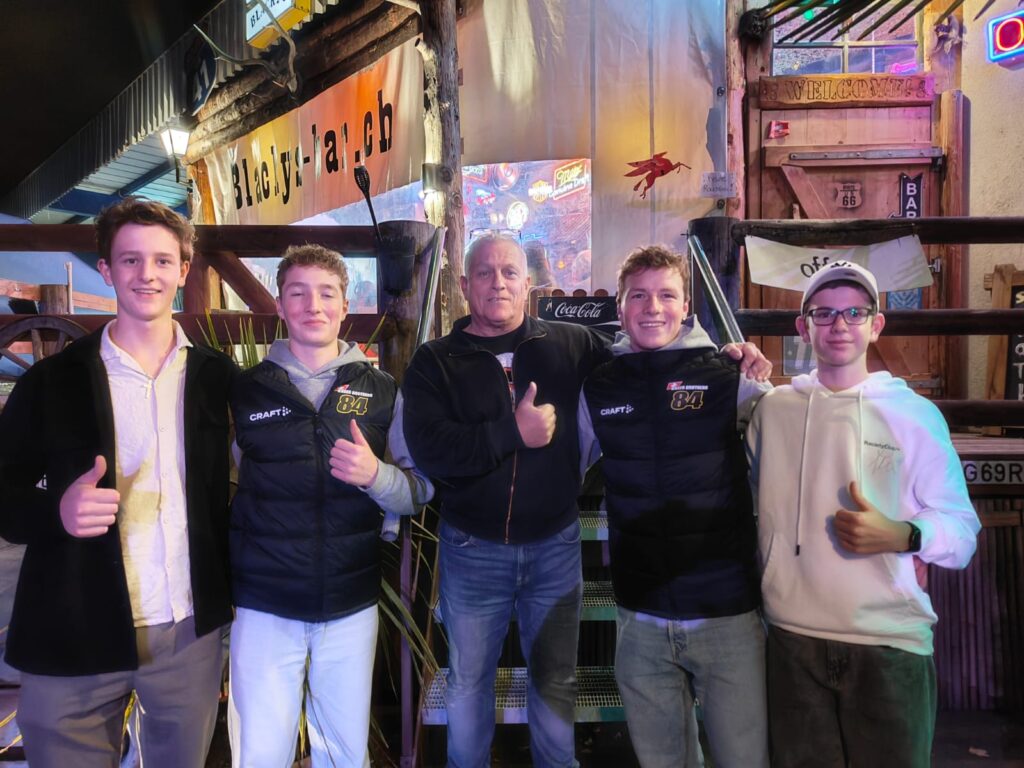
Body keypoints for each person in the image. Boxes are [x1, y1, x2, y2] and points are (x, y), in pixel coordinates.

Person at [401, 234, 766, 768]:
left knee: (556, 679)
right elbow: (430, 449)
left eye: (509, 272)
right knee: (468, 681)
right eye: (484, 273)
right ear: (463, 285)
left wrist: (729, 353)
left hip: (556, 545)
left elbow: (649, 348)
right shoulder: (434, 361)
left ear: (529, 284)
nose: (498, 283)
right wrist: (512, 433)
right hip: (472, 548)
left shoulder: (572, 344)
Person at [0, 197, 235, 768]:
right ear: (106, 269)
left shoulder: (218, 378)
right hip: (72, 627)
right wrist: (57, 511)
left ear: (184, 270)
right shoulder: (52, 382)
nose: (146, 274)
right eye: (130, 260)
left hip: (187, 633)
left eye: (162, 260)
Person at [746, 260, 980, 768]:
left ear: (876, 325)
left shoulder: (914, 415)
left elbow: (962, 532)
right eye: (824, 313)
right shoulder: (773, 411)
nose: (839, 325)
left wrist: (905, 535)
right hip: (791, 639)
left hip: (889, 643)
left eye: (855, 313)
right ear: (803, 326)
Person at [227, 244, 431, 768]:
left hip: (349, 602)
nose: (312, 305)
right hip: (265, 603)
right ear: (279, 304)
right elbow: (224, 482)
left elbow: (418, 490)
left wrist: (376, 476)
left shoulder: (383, 390)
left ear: (345, 304)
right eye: (298, 293)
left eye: (326, 293)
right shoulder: (245, 392)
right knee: (260, 753)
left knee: (343, 753)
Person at [578, 245, 772, 768]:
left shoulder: (729, 378)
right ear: (620, 307)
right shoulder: (599, 387)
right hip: (640, 614)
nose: (653, 308)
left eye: (667, 295)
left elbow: (785, 461)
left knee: (744, 760)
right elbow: (561, 469)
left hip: (726, 611)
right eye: (638, 296)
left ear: (686, 306)